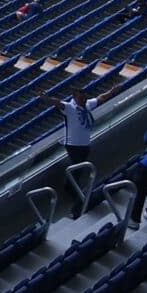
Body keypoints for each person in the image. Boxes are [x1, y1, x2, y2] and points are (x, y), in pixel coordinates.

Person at [41, 89, 102, 217]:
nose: (83, 100)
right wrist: (46, 99)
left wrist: (113, 91)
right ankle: (72, 189)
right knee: (77, 165)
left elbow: (100, 98)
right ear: (74, 97)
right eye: (81, 98)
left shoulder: (87, 105)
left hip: (85, 143)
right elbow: (57, 103)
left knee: (79, 167)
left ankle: (70, 185)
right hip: (73, 144)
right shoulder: (69, 108)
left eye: (84, 98)